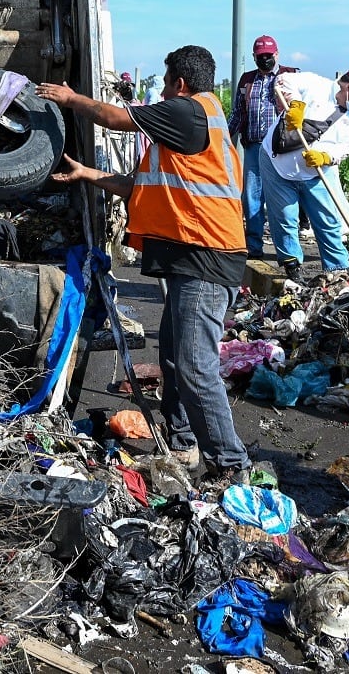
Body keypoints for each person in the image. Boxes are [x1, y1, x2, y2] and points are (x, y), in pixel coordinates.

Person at [38, 46, 251, 481]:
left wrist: (70, 98)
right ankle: (184, 445)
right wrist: (89, 175)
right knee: (175, 361)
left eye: (167, 80)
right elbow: (142, 186)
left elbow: (117, 118)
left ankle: (232, 467)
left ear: (179, 83)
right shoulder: (197, 125)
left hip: (206, 260)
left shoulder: (189, 113)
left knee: (195, 367)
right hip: (194, 260)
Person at [258, 68, 349, 281]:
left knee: (327, 218)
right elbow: (283, 79)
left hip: (317, 169)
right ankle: (292, 267)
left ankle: (337, 266)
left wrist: (326, 157)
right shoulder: (316, 84)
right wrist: (296, 104)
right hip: (278, 163)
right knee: (285, 216)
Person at [227, 35, 300, 258]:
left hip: (282, 149)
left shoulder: (290, 76)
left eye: (269, 56)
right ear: (254, 57)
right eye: (261, 57)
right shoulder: (248, 80)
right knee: (252, 198)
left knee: (282, 201)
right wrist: (225, 138)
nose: (265, 60)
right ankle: (253, 247)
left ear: (277, 55)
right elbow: (238, 113)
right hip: (254, 147)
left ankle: (288, 254)